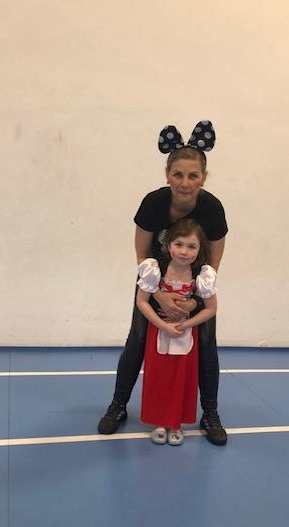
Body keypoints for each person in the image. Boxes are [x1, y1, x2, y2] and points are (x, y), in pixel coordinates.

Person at [98, 120, 228, 445]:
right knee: (137, 339)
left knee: (206, 344)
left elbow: (213, 263)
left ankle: (210, 413)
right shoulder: (153, 203)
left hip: (193, 289)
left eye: (193, 176)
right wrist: (158, 295)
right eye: (178, 174)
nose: (185, 183)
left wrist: (194, 299)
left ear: (204, 178)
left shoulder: (212, 209)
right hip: (154, 283)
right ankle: (118, 405)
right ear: (167, 175)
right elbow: (142, 255)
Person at [136, 219, 217, 445]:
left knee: (183, 378)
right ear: (168, 244)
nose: (184, 251)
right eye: (179, 244)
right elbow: (141, 301)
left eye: (191, 246)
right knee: (158, 376)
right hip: (158, 331)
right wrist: (163, 325)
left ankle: (176, 423)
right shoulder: (155, 270)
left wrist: (185, 325)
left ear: (199, 250)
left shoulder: (201, 275)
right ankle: (159, 421)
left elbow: (211, 309)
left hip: (185, 334)